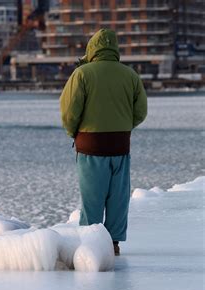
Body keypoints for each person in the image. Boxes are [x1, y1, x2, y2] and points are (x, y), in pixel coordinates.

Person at [59, 28, 147, 255]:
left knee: (92, 198)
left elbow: (69, 111)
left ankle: (90, 243)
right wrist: (124, 127)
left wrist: (74, 133)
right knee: (118, 197)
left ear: (92, 48)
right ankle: (114, 243)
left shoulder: (82, 74)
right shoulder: (130, 75)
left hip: (90, 146)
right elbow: (141, 111)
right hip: (120, 145)